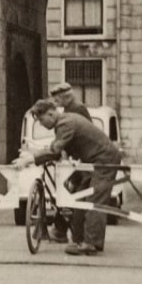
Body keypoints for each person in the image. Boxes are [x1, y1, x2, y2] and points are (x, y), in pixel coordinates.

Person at [23, 98, 122, 256]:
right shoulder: (65, 121)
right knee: (79, 197)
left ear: (50, 113)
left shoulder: (65, 123)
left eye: (41, 120)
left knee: (94, 201)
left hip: (103, 160)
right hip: (93, 160)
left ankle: (90, 243)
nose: (41, 124)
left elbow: (55, 150)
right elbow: (59, 149)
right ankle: (79, 240)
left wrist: (32, 158)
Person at [46, 82, 90, 240]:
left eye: (57, 98)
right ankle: (62, 229)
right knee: (69, 191)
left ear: (65, 97)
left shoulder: (77, 109)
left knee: (72, 192)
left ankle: (63, 230)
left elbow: (78, 135)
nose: (56, 102)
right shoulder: (71, 109)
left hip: (79, 159)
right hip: (75, 157)